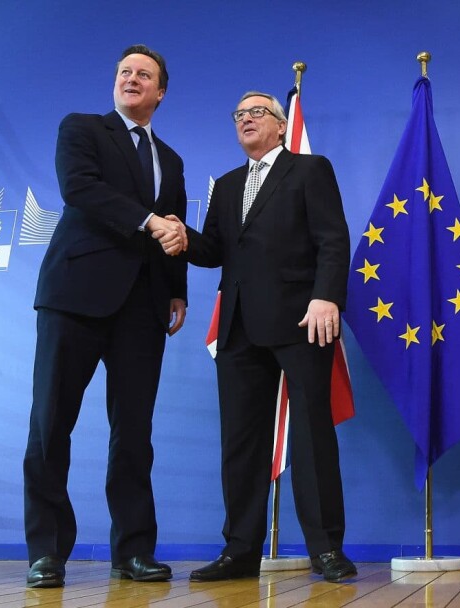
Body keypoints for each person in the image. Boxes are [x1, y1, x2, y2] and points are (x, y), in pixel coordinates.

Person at [157, 91, 357, 583]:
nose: (246, 119)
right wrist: (182, 237)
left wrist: (326, 296)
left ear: (280, 124)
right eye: (239, 115)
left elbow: (333, 237)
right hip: (239, 328)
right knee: (241, 442)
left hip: (302, 320)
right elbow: (214, 250)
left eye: (257, 112)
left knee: (311, 437)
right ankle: (240, 552)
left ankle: (326, 550)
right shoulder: (226, 186)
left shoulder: (310, 170)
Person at [23, 44, 187, 588]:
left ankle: (134, 551)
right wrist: (147, 221)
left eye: (144, 74)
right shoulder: (83, 128)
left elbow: (176, 226)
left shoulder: (173, 159)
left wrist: (176, 290)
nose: (132, 78)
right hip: (76, 293)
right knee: (52, 423)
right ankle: (47, 553)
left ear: (160, 92)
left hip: (143, 308)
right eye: (124, 71)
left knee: (134, 432)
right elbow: (81, 190)